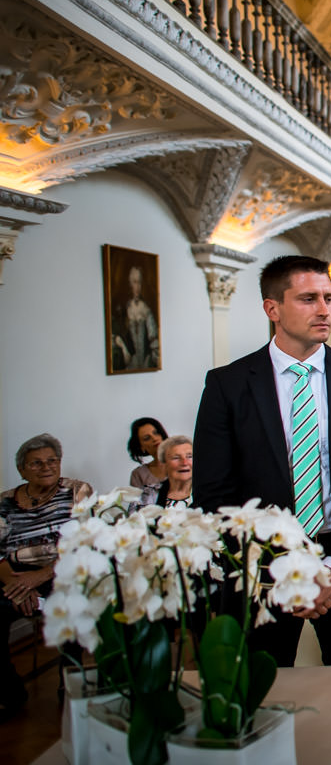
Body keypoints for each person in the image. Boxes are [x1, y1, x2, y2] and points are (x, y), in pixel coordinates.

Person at [193, 255, 331, 668]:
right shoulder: (228, 385)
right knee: (264, 702)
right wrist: (283, 574)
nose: (325, 309)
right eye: (308, 299)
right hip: (262, 576)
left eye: (328, 297)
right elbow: (215, 495)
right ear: (273, 308)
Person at [1, 434, 93, 712]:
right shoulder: (5, 502)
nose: (47, 467)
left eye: (52, 461)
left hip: (62, 569)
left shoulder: (76, 491)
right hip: (15, 576)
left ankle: (70, 684)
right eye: (36, 463)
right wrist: (13, 584)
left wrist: (40, 577)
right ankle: (9, 690)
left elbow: (84, 541)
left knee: (71, 604)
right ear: (22, 469)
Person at [111, 265, 159, 371]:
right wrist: (123, 347)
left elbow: (154, 340)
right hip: (130, 365)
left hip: (147, 363)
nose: (137, 286)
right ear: (129, 283)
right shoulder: (123, 310)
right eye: (134, 282)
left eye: (139, 282)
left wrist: (152, 361)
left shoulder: (146, 310)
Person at [127, 416, 168, 493]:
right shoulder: (138, 475)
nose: (155, 439)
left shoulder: (184, 462)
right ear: (141, 447)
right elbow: (136, 503)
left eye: (156, 433)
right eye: (147, 438)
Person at [153, 435, 194, 507]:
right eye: (176, 458)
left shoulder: (208, 493)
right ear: (164, 464)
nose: (184, 463)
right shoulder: (148, 493)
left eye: (189, 456)